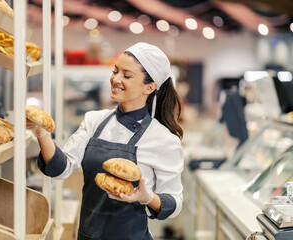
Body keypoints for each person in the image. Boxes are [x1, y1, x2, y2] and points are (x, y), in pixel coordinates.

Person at [27, 42, 184, 240]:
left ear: (150, 87)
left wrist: (147, 197)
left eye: (127, 75)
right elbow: (61, 168)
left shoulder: (163, 139)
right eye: (115, 71)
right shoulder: (94, 120)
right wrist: (40, 132)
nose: (116, 79)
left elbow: (174, 203)